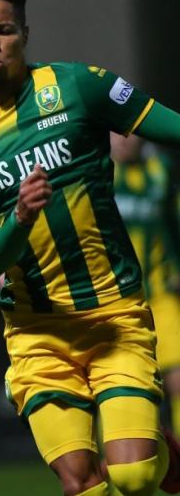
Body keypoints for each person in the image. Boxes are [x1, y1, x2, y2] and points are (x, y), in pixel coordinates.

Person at [0, 0, 180, 496]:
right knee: (81, 484)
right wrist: (18, 219)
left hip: (113, 314)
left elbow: (171, 127)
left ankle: (157, 447)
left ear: (25, 32)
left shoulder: (80, 86)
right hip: (37, 334)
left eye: (3, 29)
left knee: (132, 477)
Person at [111, 133, 180, 433]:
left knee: (178, 379)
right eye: (117, 133)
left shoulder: (161, 171)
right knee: (118, 387)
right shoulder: (96, 172)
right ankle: (116, 465)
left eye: (130, 133)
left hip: (161, 293)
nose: (125, 140)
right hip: (113, 299)